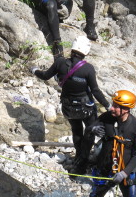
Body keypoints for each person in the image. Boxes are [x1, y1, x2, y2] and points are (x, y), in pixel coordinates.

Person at [31, 35, 109, 174]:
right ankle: (83, 160)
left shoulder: (60, 63)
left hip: (68, 106)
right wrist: (107, 104)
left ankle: (78, 157)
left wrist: (34, 70)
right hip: (86, 107)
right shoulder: (88, 69)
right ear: (86, 52)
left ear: (72, 48)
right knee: (89, 131)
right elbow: (95, 90)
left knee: (76, 130)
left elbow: (44, 76)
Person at [88, 90, 136, 197]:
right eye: (113, 104)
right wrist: (93, 129)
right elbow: (89, 128)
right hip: (104, 168)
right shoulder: (107, 117)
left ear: (125, 109)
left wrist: (124, 173)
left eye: (116, 106)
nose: (111, 108)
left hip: (124, 170)